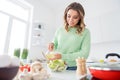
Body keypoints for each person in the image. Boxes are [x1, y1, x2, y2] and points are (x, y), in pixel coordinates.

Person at [48, 2, 91, 70]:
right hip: (57, 65)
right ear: (65, 15)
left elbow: (84, 54)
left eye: (75, 17)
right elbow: (55, 43)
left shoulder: (85, 32)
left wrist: (63, 56)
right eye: (69, 16)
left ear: (80, 18)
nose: (71, 20)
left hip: (73, 68)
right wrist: (52, 44)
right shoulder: (60, 29)